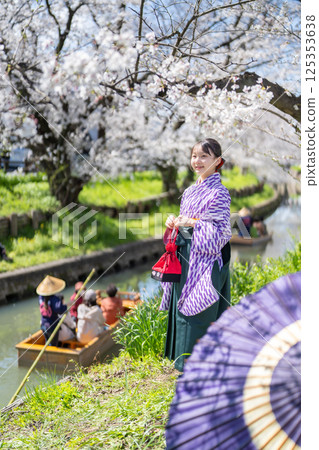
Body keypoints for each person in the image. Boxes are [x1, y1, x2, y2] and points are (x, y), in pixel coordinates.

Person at [160, 138, 232, 372]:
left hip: (206, 259)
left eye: (204, 156)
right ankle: (179, 358)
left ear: (217, 161)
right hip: (185, 255)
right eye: (194, 156)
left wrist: (191, 222)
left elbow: (222, 232)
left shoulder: (220, 193)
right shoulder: (190, 191)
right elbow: (183, 221)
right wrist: (173, 222)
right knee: (181, 306)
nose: (197, 161)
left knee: (200, 309)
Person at [36, 275, 67, 347]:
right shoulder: (54, 299)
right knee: (53, 344)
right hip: (52, 326)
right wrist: (65, 306)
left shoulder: (41, 297)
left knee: (48, 342)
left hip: (43, 324)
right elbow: (60, 309)